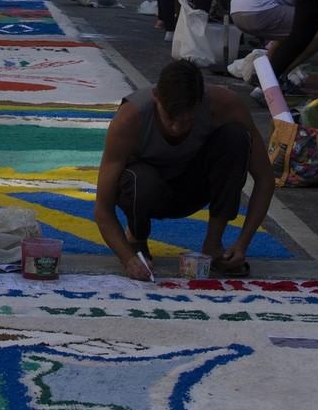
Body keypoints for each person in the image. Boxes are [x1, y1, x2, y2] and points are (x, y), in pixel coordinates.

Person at [94, 58, 274, 279]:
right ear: (156, 96)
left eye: (189, 120)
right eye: (169, 118)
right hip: (147, 191)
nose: (178, 129)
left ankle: (213, 244)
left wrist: (243, 242)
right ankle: (136, 239)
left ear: (202, 101)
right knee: (142, 180)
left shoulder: (225, 105)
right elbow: (102, 208)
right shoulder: (130, 119)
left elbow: (265, 179)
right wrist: (126, 258)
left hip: (193, 189)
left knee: (236, 138)